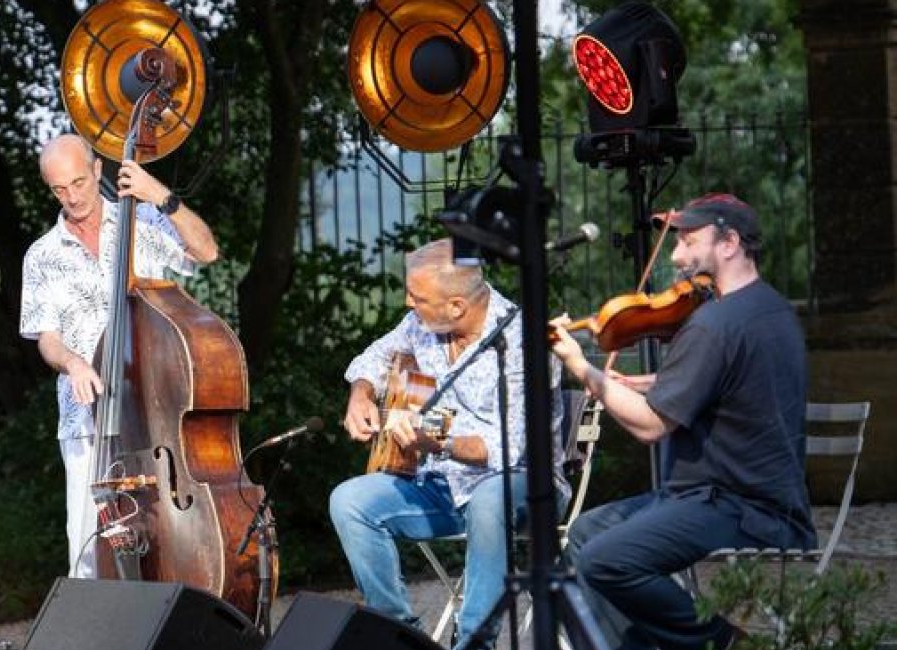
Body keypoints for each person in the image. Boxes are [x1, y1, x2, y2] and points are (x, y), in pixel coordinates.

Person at [549, 193, 813, 650]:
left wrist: (583, 370)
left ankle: (720, 642)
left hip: (737, 504)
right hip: (762, 494)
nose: (675, 255)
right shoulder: (772, 308)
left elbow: (651, 427)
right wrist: (647, 382)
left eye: (688, 240)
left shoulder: (714, 324)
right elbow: (724, 381)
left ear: (729, 242)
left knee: (603, 560)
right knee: (588, 530)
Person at [330, 238, 564, 649]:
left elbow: (504, 451)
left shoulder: (524, 343)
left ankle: (474, 642)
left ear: (457, 306)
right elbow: (376, 357)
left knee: (491, 497)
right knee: (349, 500)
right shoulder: (424, 322)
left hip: (524, 488)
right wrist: (361, 395)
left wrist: (433, 442)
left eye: (417, 297)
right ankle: (400, 635)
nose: (408, 303)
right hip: (443, 485)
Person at [19, 133, 220, 577]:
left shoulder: (143, 221)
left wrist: (159, 196)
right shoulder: (41, 255)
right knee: (88, 549)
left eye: (78, 182)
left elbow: (207, 250)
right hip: (85, 419)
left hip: (155, 412)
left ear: (96, 171)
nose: (72, 197)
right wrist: (73, 362)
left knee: (170, 533)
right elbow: (46, 339)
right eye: (59, 189)